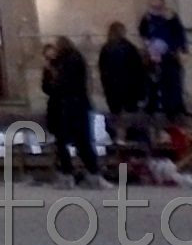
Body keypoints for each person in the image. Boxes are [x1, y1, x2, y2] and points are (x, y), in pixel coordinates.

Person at [39, 36, 99, 184]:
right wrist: (49, 74)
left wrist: (53, 77)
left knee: (79, 141)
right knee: (68, 142)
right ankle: (77, 172)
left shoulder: (70, 61)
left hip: (70, 108)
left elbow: (64, 85)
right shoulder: (59, 64)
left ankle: (87, 172)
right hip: (63, 108)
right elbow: (48, 88)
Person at [97, 19, 152, 169]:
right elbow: (138, 71)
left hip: (113, 91)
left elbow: (103, 71)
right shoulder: (129, 48)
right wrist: (141, 92)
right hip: (129, 91)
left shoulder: (106, 49)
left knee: (116, 120)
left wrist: (106, 88)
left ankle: (118, 151)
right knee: (132, 121)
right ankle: (133, 157)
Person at [139, 0, 191, 124]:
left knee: (173, 83)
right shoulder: (147, 18)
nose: (151, 3)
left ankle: (175, 110)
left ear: (161, 1)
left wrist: (182, 50)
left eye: (154, 0)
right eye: (149, 0)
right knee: (155, 83)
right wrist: (148, 45)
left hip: (170, 55)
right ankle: (154, 107)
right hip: (154, 56)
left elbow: (180, 35)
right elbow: (143, 33)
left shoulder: (171, 17)